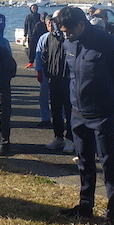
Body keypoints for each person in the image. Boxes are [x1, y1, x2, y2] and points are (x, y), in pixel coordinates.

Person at [55, 6, 114, 225]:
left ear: (81, 25)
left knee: (109, 165)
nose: (66, 35)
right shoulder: (68, 43)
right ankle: (85, 206)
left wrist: (111, 101)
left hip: (103, 113)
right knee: (84, 162)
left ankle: (112, 217)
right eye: (63, 32)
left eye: (69, 31)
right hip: (78, 113)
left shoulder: (105, 42)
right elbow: (72, 74)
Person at [41, 11, 74, 153]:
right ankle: (58, 137)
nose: (55, 23)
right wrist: (47, 72)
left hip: (69, 80)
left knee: (70, 111)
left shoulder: (70, 37)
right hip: (54, 80)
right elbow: (44, 55)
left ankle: (71, 139)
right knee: (55, 110)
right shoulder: (50, 37)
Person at [34, 14, 52, 128]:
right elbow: (38, 55)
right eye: (48, 24)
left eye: (52, 23)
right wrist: (38, 70)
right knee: (43, 96)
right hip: (45, 71)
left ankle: (62, 118)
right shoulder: (43, 38)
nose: (51, 26)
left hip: (59, 72)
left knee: (60, 96)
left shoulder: (62, 38)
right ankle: (45, 118)